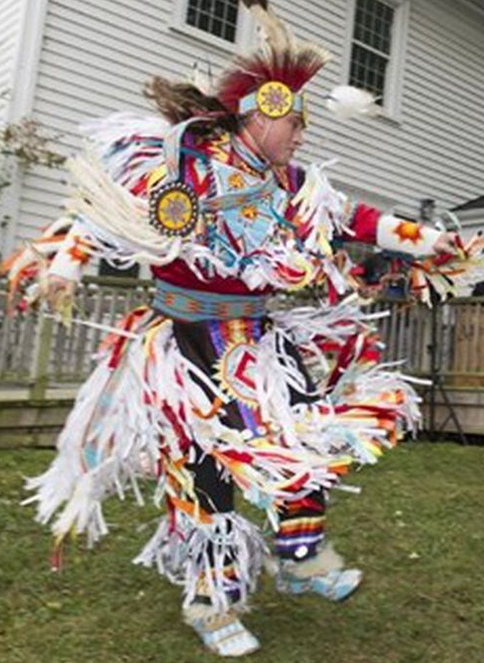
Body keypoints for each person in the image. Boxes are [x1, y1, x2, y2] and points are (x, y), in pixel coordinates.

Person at [5, 1, 463, 657]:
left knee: (313, 437)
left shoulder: (293, 182)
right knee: (208, 472)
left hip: (262, 343)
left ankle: (300, 556)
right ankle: (209, 598)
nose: (303, 134)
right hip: (187, 346)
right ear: (263, 113)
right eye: (295, 122)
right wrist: (67, 268)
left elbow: (359, 221)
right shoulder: (183, 166)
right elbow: (105, 214)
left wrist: (438, 242)